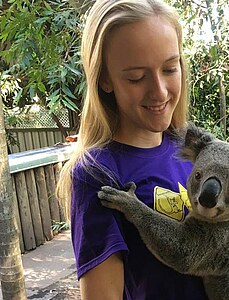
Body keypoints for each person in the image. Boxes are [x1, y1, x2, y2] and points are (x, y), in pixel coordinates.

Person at [57, 0, 208, 299]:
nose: (160, 91)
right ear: (104, 79)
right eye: (136, 77)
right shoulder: (97, 173)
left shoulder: (194, 149)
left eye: (169, 68)